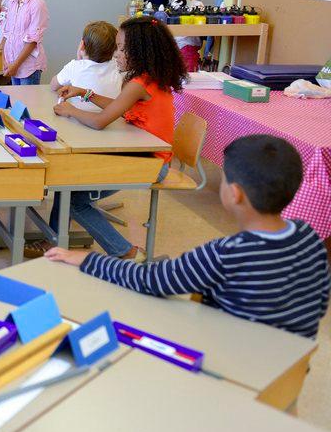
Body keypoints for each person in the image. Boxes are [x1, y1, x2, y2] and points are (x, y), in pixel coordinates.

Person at [47, 135, 331, 339]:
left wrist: (87, 259)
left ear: (234, 195)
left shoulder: (227, 252)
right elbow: (319, 305)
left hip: (227, 364)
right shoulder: (310, 240)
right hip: (287, 370)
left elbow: (151, 280)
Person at [44, 16, 187, 259]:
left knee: (76, 199)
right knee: (69, 182)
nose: (117, 55)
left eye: (121, 50)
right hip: (146, 156)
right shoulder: (148, 79)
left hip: (151, 164)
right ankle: (56, 240)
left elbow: (100, 121)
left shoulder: (138, 84)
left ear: (140, 52)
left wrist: (71, 109)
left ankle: (126, 253)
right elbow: (118, 106)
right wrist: (85, 93)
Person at [50, 21, 122, 111]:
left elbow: (53, 86)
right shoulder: (118, 66)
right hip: (112, 118)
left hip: (79, 118)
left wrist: (79, 62)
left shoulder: (74, 66)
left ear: (82, 45)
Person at [0, 0, 49, 85]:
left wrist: (16, 65)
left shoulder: (37, 4)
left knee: (27, 103)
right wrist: (4, 59)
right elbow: (7, 33)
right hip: (12, 62)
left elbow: (33, 40)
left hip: (28, 67)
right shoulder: (12, 2)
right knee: (17, 102)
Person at [169, 0, 209, 72]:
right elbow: (203, 30)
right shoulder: (198, 5)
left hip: (172, 50)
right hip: (188, 51)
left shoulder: (174, 3)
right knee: (189, 84)